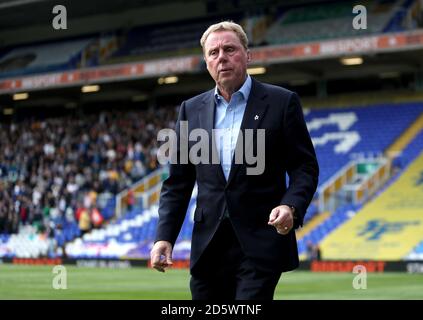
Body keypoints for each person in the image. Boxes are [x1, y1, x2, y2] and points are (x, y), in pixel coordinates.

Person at [150, 21, 319, 300]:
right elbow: (177, 183)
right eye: (213, 53)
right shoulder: (190, 110)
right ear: (206, 62)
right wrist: (163, 237)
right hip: (208, 246)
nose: (222, 57)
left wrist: (291, 205)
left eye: (230, 49)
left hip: (260, 240)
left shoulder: (282, 102)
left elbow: (304, 167)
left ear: (247, 55)